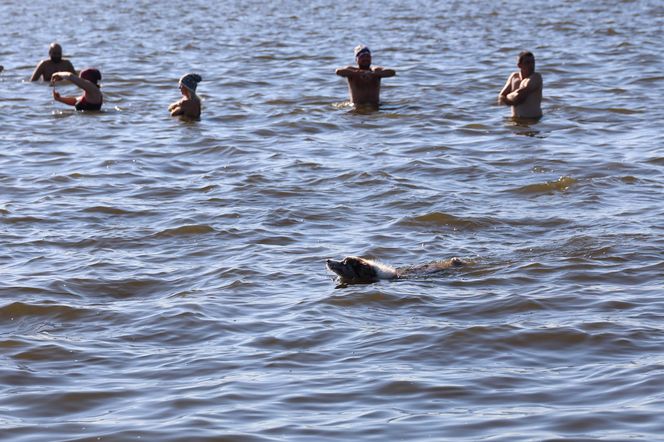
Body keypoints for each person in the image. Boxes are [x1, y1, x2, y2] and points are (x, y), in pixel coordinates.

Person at [498, 51, 543, 119]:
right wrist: (510, 98)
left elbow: (519, 96)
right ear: (519, 65)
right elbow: (500, 97)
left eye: (533, 62)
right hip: (515, 120)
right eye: (527, 63)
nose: (531, 65)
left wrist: (507, 97)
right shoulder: (514, 76)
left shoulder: (536, 77)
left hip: (533, 120)